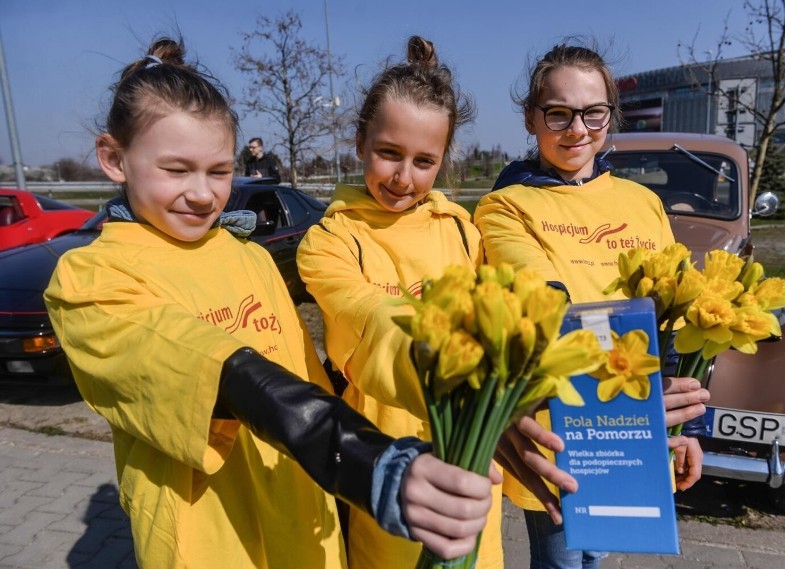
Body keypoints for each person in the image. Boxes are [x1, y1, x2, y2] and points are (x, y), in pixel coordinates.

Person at [43, 36, 497, 569]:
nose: (202, 194)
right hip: (213, 541)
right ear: (114, 158)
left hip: (306, 525)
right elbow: (209, 365)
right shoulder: (88, 280)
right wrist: (367, 465)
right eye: (176, 169)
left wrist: (484, 395)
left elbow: (314, 379)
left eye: (217, 171)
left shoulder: (250, 259)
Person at [474, 40, 709, 569]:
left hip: (639, 413)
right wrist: (637, 396)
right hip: (566, 419)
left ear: (610, 116)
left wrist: (684, 426)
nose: (577, 130)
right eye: (558, 113)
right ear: (532, 119)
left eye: (593, 113)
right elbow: (546, 302)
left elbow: (672, 315)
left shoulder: (643, 203)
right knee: (562, 560)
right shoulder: (506, 205)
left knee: (594, 559)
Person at [297, 35, 510, 569]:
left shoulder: (464, 232)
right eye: (389, 153)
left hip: (469, 438)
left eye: (424, 161)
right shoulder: (330, 241)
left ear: (443, 160)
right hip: (382, 450)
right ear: (360, 142)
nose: (402, 177)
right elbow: (365, 313)